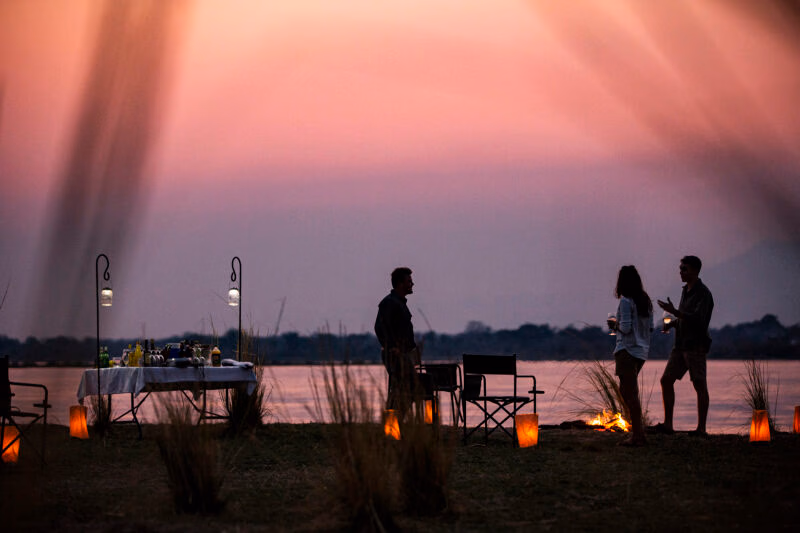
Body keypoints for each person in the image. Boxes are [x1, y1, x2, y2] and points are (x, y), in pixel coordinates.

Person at [656, 255, 714, 436]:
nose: (680, 272)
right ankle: (668, 425)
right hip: (680, 345)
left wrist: (675, 312)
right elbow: (685, 318)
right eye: (680, 268)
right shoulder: (685, 291)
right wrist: (672, 323)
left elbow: (698, 320)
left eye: (684, 269)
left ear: (695, 271)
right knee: (666, 380)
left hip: (695, 346)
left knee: (699, 384)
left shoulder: (703, 294)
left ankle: (701, 429)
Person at [607, 265, 653, 447]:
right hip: (641, 351)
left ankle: (638, 435)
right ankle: (638, 431)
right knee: (626, 391)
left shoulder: (626, 301)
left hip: (626, 350)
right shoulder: (644, 301)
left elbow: (625, 328)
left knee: (630, 394)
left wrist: (615, 325)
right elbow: (649, 328)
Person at [374, 267, 419, 419]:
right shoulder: (389, 303)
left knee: (406, 388)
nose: (412, 284)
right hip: (395, 356)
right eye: (409, 281)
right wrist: (392, 347)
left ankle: (394, 425)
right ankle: (392, 425)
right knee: (405, 388)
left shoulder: (400, 303)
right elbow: (380, 326)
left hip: (405, 355)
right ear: (400, 283)